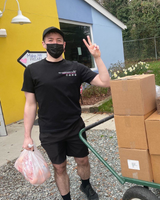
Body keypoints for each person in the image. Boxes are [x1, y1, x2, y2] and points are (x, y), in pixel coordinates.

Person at [21, 26, 110, 200]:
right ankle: (66, 198)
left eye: (59, 40)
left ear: (64, 44)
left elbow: (105, 82)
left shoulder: (75, 67)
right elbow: (30, 105)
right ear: (43, 44)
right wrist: (27, 136)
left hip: (75, 127)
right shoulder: (32, 70)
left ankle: (85, 185)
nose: (55, 43)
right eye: (50, 40)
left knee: (83, 161)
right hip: (50, 131)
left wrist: (97, 58)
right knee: (60, 167)